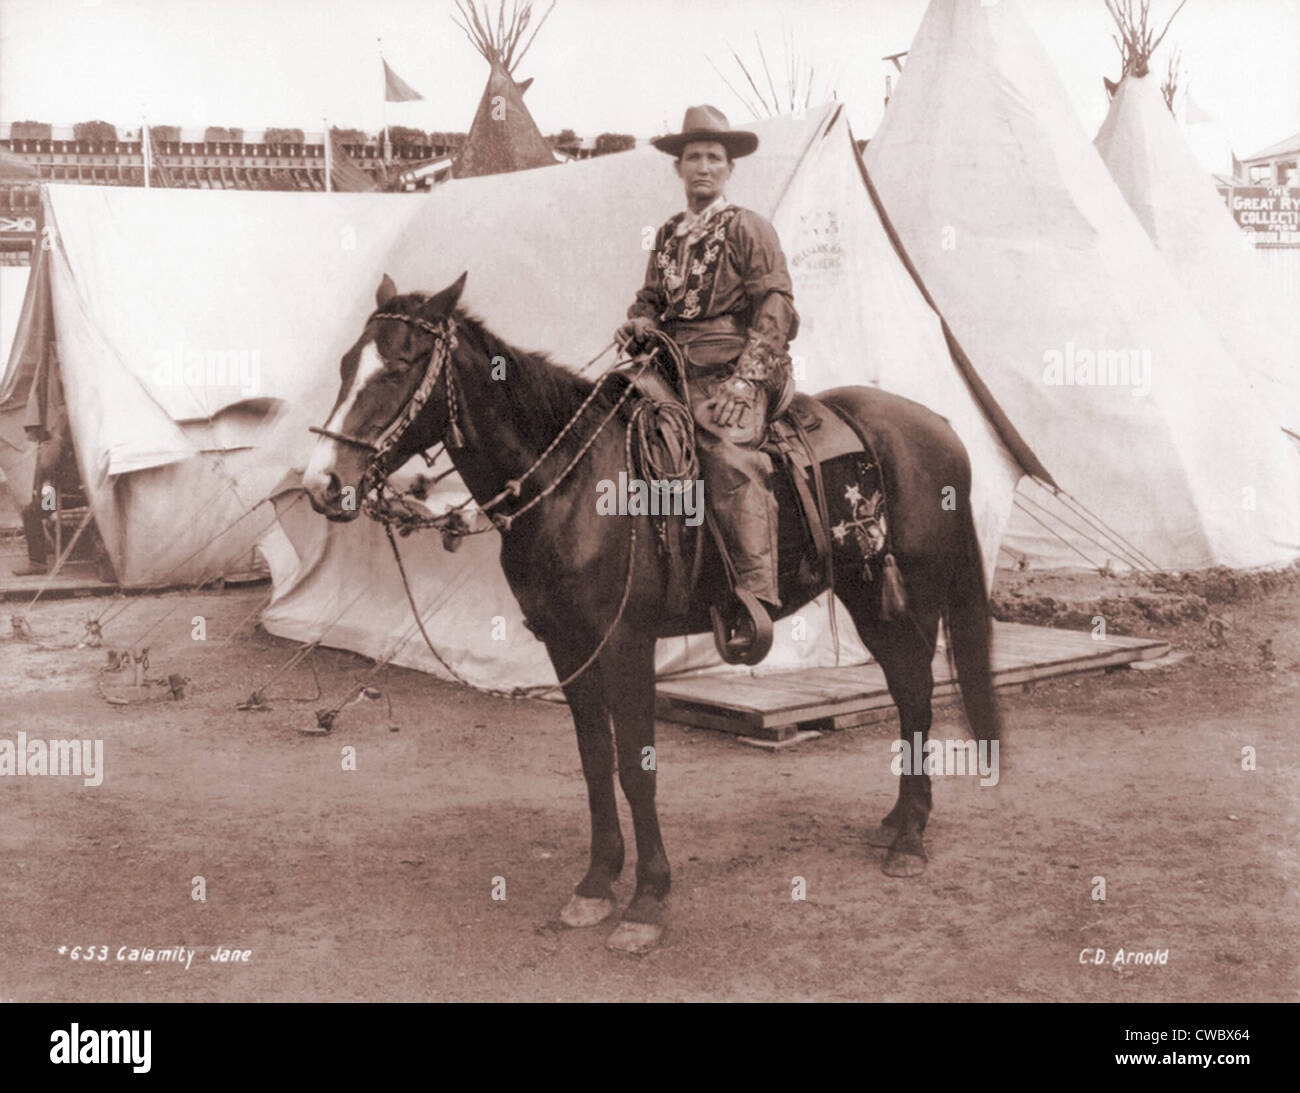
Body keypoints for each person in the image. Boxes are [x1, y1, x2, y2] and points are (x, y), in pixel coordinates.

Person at [615, 104, 798, 658]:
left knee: (724, 452)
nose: (702, 166)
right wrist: (640, 319)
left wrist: (746, 382)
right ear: (678, 168)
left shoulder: (749, 227)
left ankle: (754, 596)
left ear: (729, 168)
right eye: (692, 156)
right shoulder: (669, 235)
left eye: (713, 157)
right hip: (669, 365)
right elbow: (651, 297)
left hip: (733, 367)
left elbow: (777, 306)